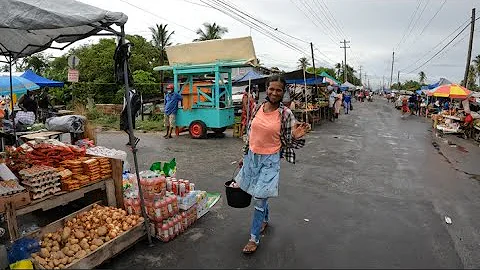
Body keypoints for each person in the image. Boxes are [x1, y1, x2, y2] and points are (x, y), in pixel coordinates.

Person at [235, 75, 309, 254]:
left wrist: (296, 136)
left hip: (270, 160)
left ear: (283, 92)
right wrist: (244, 155)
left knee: (259, 198)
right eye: (271, 89)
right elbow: (250, 133)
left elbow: (291, 139)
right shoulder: (258, 108)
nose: (274, 93)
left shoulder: (286, 114)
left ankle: (254, 238)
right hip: (253, 157)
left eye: (279, 90)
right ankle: (264, 220)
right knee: (257, 192)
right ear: (266, 89)